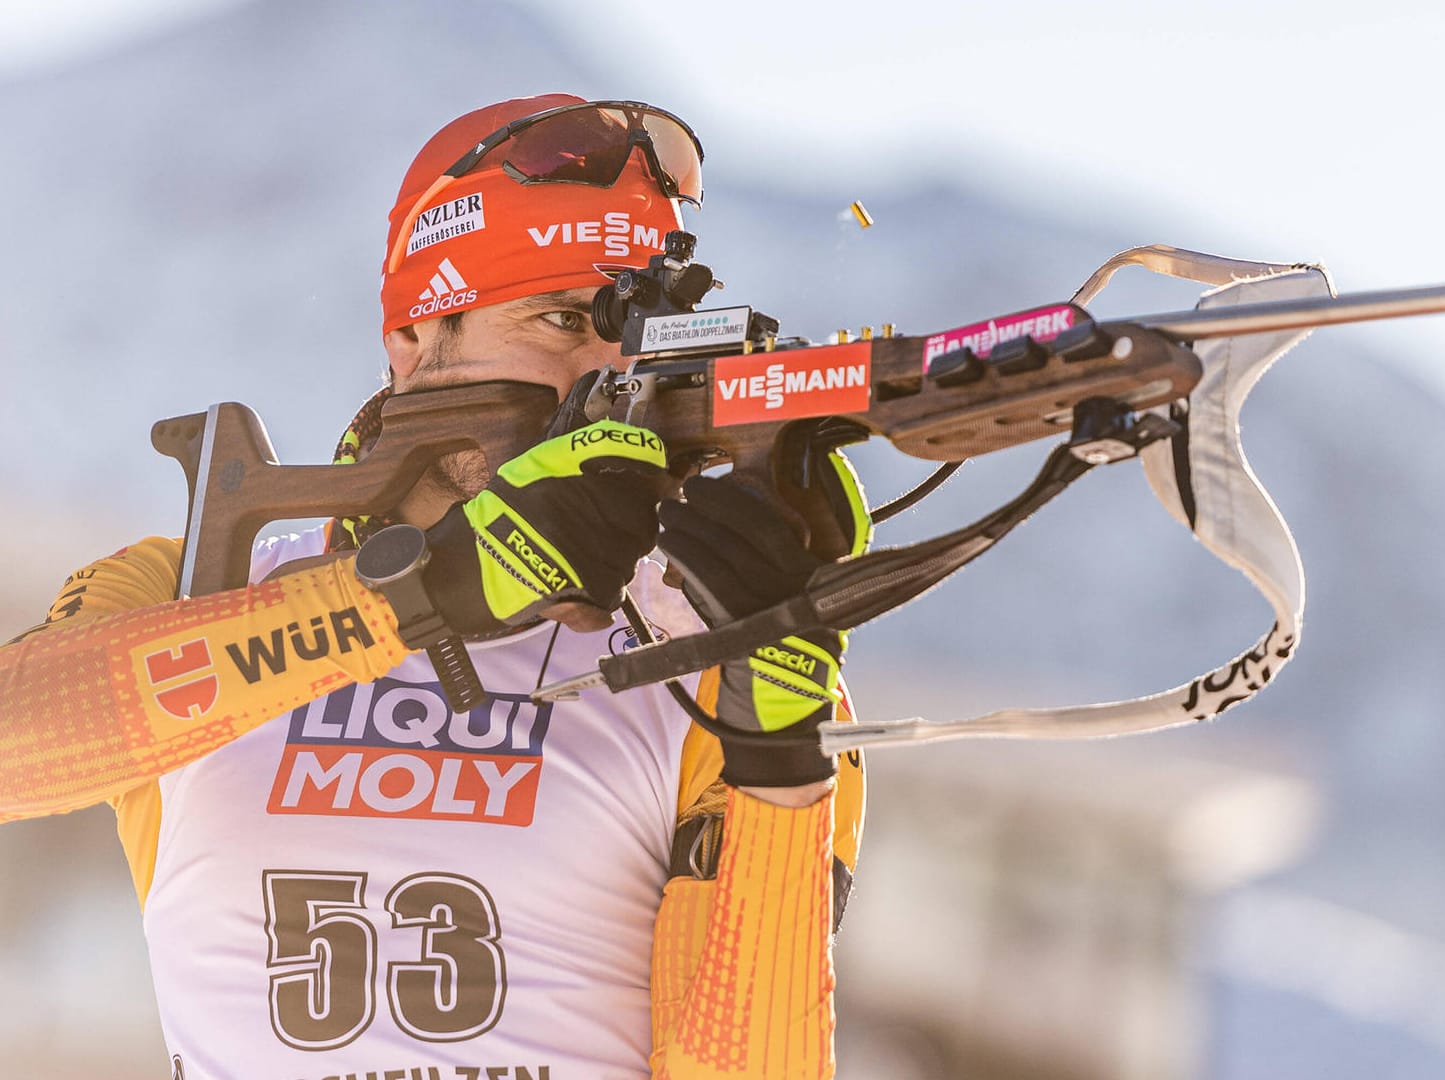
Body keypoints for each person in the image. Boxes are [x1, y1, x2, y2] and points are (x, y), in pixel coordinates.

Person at [0, 94, 868, 1080]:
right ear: (416, 342)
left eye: (639, 336)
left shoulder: (704, 658)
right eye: (561, 319)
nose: (608, 376)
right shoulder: (197, 581)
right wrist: (421, 595)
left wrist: (776, 735)